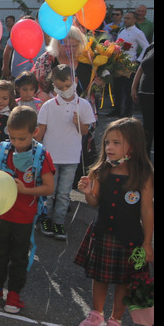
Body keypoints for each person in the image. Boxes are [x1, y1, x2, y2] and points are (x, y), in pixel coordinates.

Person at [75, 117, 154, 326]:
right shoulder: (101, 170)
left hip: (129, 239)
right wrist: (89, 192)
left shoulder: (144, 174)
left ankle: (115, 321)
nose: (109, 147)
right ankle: (96, 314)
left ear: (133, 146)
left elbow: (147, 211)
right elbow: (94, 202)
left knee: (124, 281)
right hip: (102, 234)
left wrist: (147, 243)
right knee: (99, 277)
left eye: (116, 143)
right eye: (107, 142)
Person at [0, 106, 56, 314]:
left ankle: (14, 294)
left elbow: (49, 187)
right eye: (12, 137)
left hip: (24, 217)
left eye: (22, 139)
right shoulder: (3, 149)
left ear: (34, 132)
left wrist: (27, 190)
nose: (16, 143)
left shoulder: (41, 155)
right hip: (1, 213)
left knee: (19, 256)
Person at [36, 64, 96, 239]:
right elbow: (41, 131)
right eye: (60, 87)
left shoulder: (83, 105)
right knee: (49, 191)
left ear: (75, 81)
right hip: (50, 157)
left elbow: (85, 132)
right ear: (53, 85)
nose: (64, 90)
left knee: (64, 193)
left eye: (68, 86)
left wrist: (80, 124)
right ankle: (45, 219)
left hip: (71, 157)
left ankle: (59, 223)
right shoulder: (48, 106)